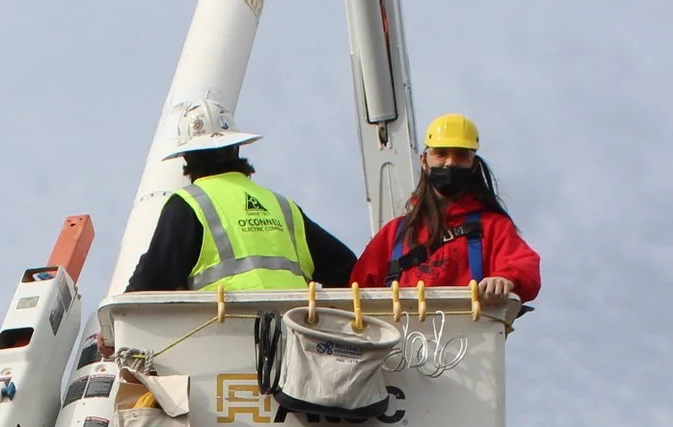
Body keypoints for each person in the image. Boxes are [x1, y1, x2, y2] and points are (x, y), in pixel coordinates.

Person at [124, 98, 359, 292]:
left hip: (224, 329)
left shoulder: (188, 205)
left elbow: (149, 283)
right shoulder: (283, 207)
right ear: (236, 147)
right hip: (295, 328)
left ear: (186, 157)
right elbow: (348, 270)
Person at [349, 112, 541, 309]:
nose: (450, 162)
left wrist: (505, 278)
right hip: (401, 328)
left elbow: (525, 265)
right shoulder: (394, 233)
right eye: (441, 153)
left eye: (461, 155)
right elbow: (355, 292)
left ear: (474, 165)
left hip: (472, 328)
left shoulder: (493, 226)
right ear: (424, 160)